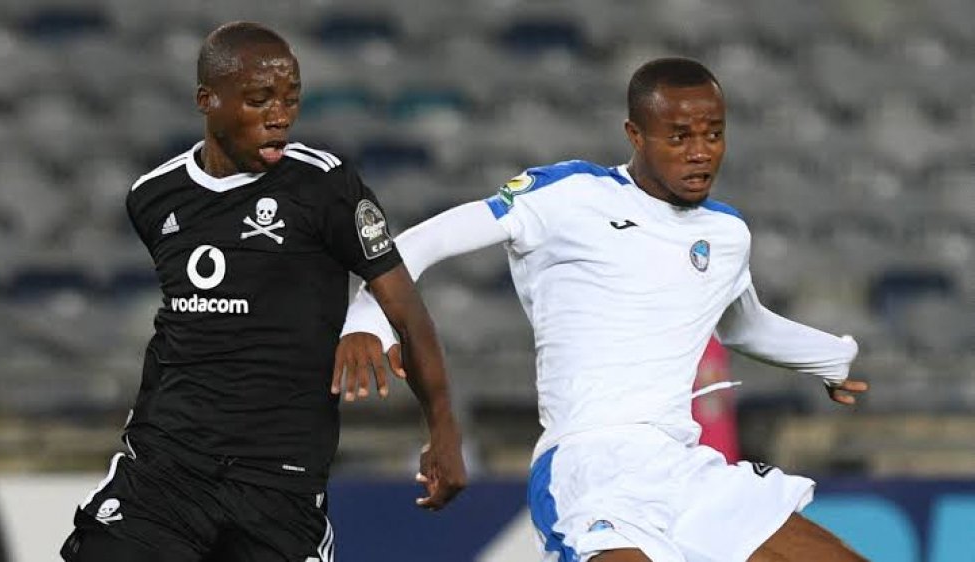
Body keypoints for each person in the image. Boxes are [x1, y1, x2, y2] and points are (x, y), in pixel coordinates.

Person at [334, 58, 869, 561]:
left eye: (713, 134)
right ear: (636, 135)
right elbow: (425, 242)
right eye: (679, 137)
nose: (700, 152)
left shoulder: (726, 233)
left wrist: (830, 359)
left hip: (683, 468)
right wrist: (365, 322)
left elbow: (744, 324)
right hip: (588, 468)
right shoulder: (567, 194)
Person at [60, 22, 465, 562]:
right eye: (259, 100)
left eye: (290, 100)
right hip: (168, 471)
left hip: (280, 485)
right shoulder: (154, 197)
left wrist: (443, 430)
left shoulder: (325, 187)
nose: (280, 117)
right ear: (207, 100)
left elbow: (408, 313)